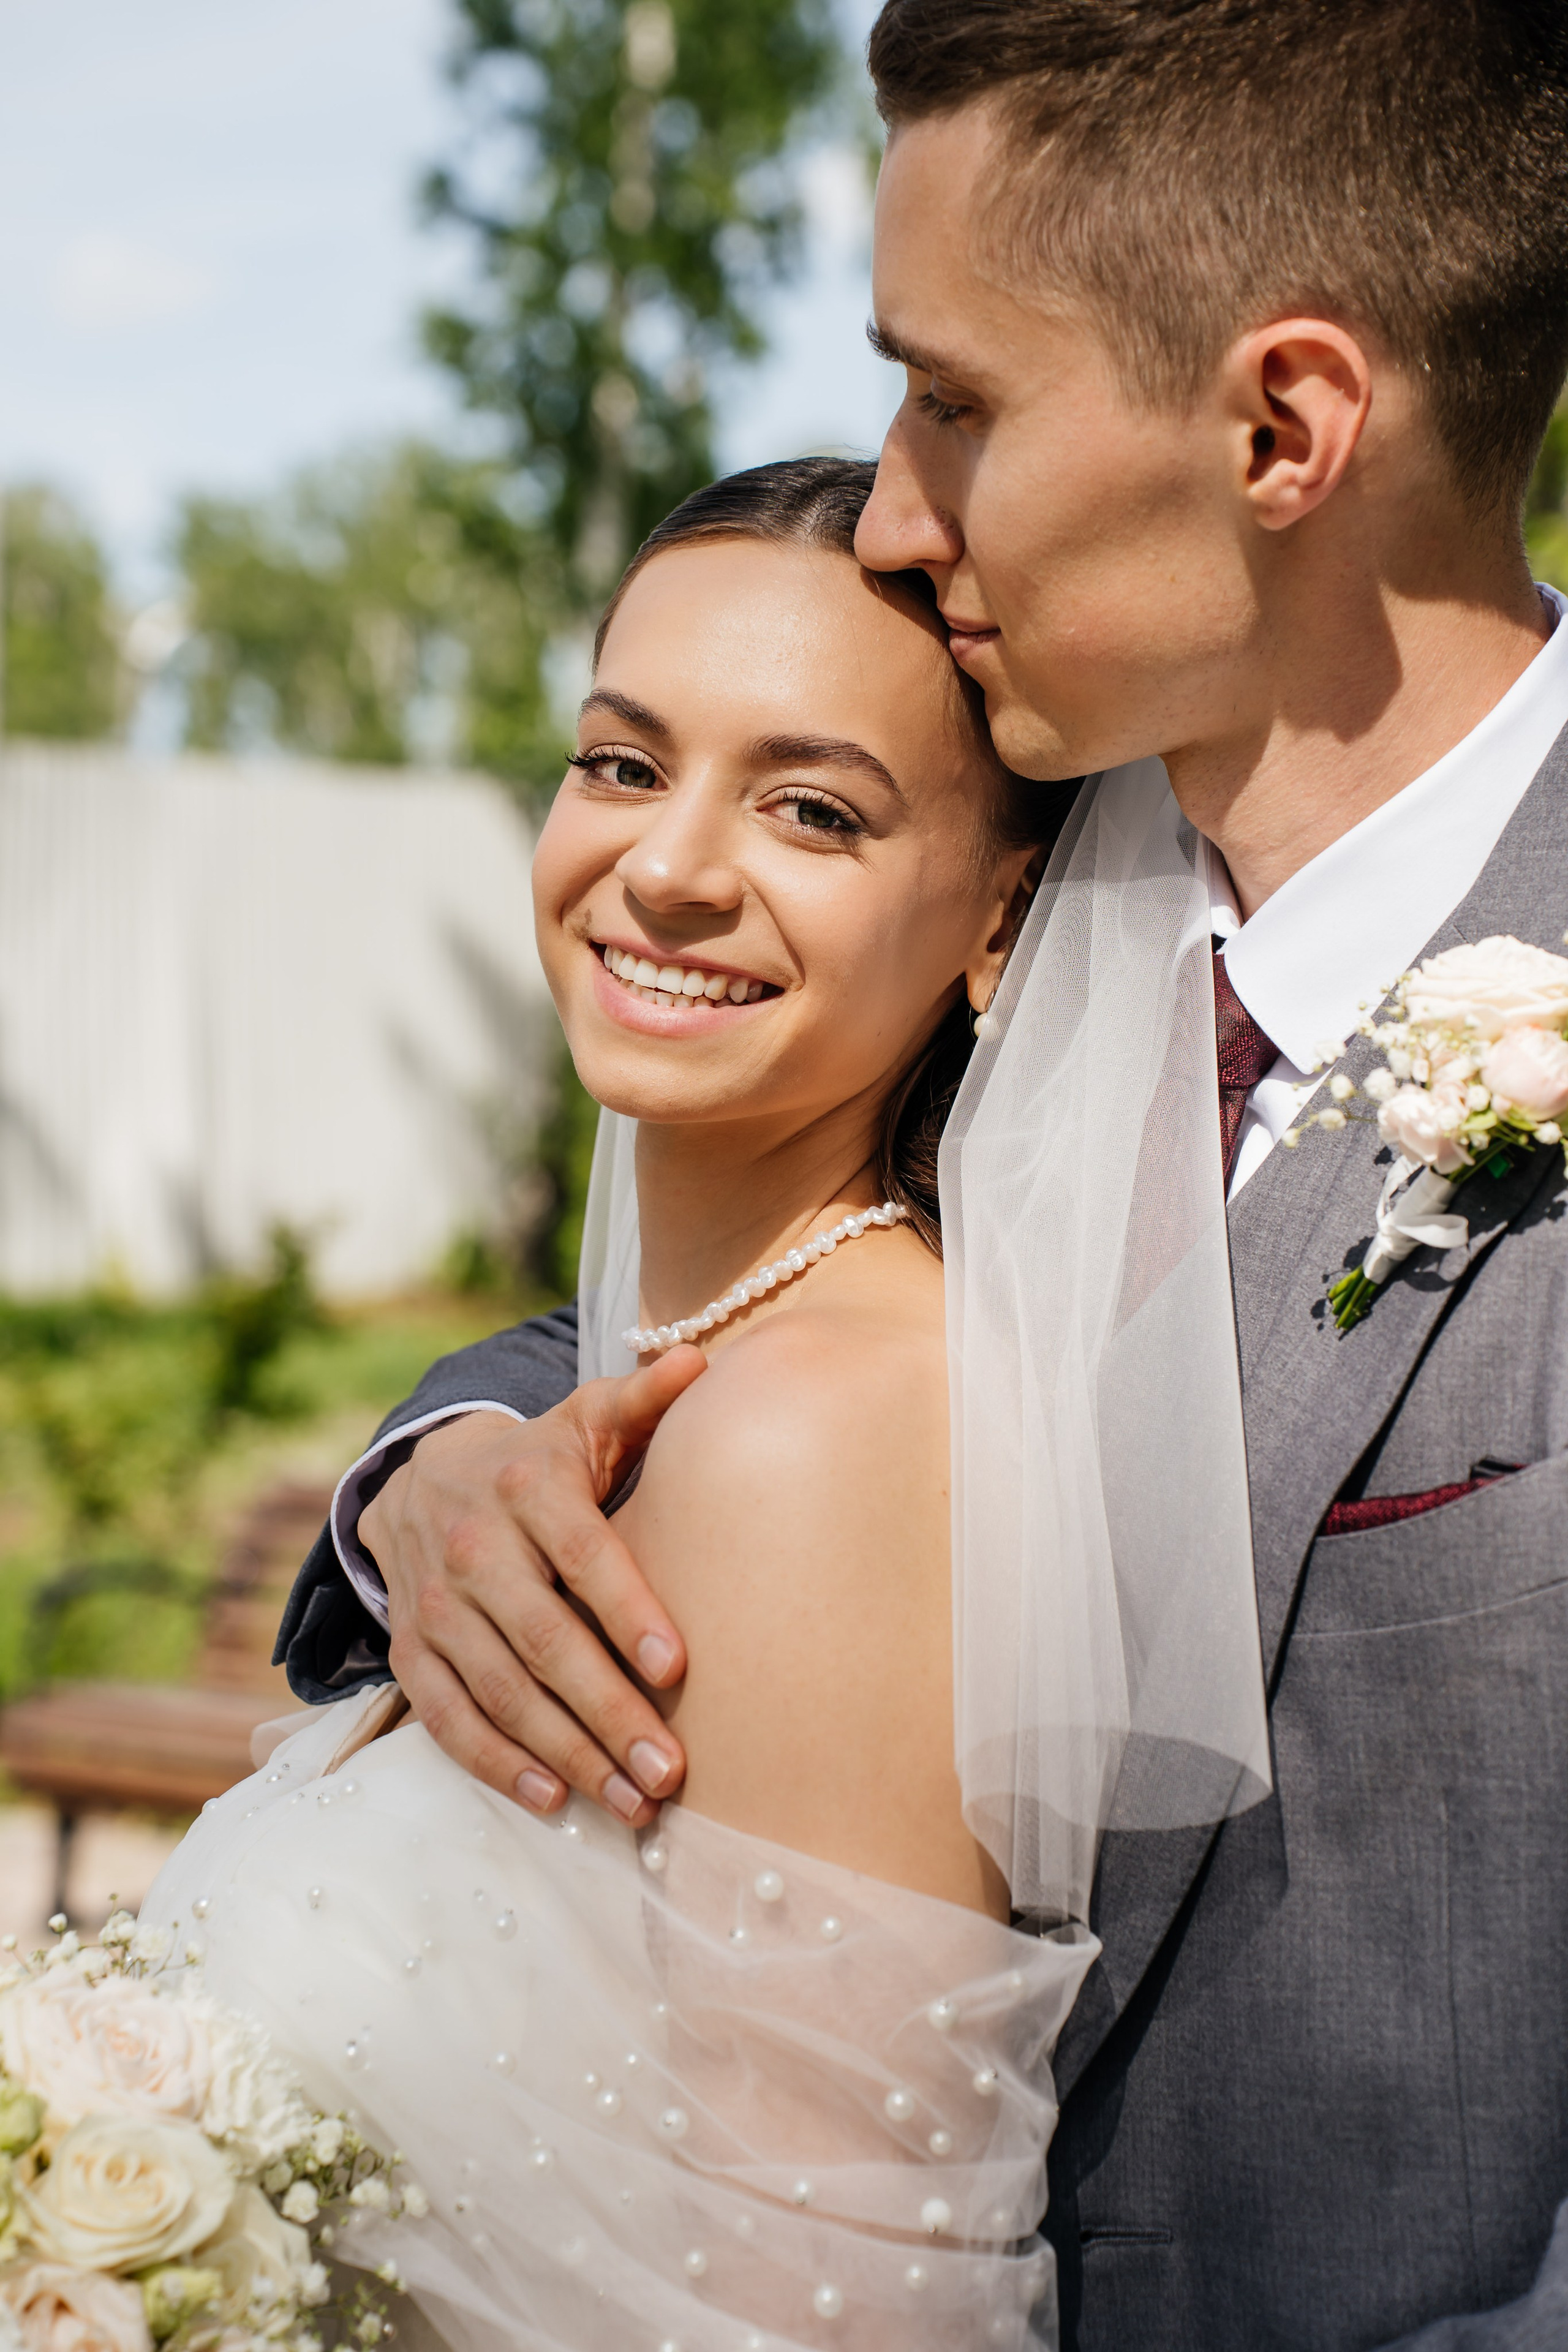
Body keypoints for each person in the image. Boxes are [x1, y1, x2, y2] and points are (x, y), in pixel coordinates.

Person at [279, 4, 1568, 2345]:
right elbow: (795, 1294)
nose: (885, 506)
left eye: (953, 400)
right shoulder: (1021, 917)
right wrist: (447, 1465)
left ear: (1286, 424)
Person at [158, 459, 1264, 2350]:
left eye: (812, 808)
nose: (667, 865)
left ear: (1005, 915)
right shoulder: (691, 1366)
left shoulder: (826, 1432)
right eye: (620, 761)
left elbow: (823, 2308)